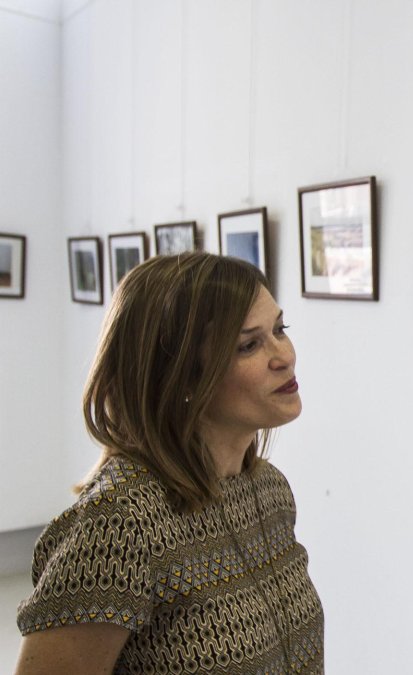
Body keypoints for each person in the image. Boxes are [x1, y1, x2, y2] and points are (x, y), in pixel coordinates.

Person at [15, 253, 324, 674]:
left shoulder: (268, 489)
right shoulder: (119, 525)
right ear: (179, 376)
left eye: (279, 330)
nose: (283, 355)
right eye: (248, 345)